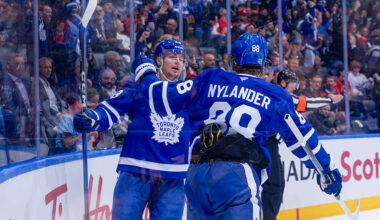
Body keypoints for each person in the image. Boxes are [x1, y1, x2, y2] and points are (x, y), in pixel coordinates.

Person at [132, 33, 342, 219]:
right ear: (264, 65)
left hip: (196, 175)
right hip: (236, 175)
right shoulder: (276, 95)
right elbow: (302, 139)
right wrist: (327, 170)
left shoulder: (208, 78)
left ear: (232, 60)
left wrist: (146, 72)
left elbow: (167, 96)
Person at [74, 40, 189, 220]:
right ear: (158, 60)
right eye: (172, 57)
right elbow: (112, 110)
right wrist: (94, 119)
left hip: (172, 177)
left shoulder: (188, 93)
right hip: (136, 170)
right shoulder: (139, 86)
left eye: (182, 59)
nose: (178, 63)